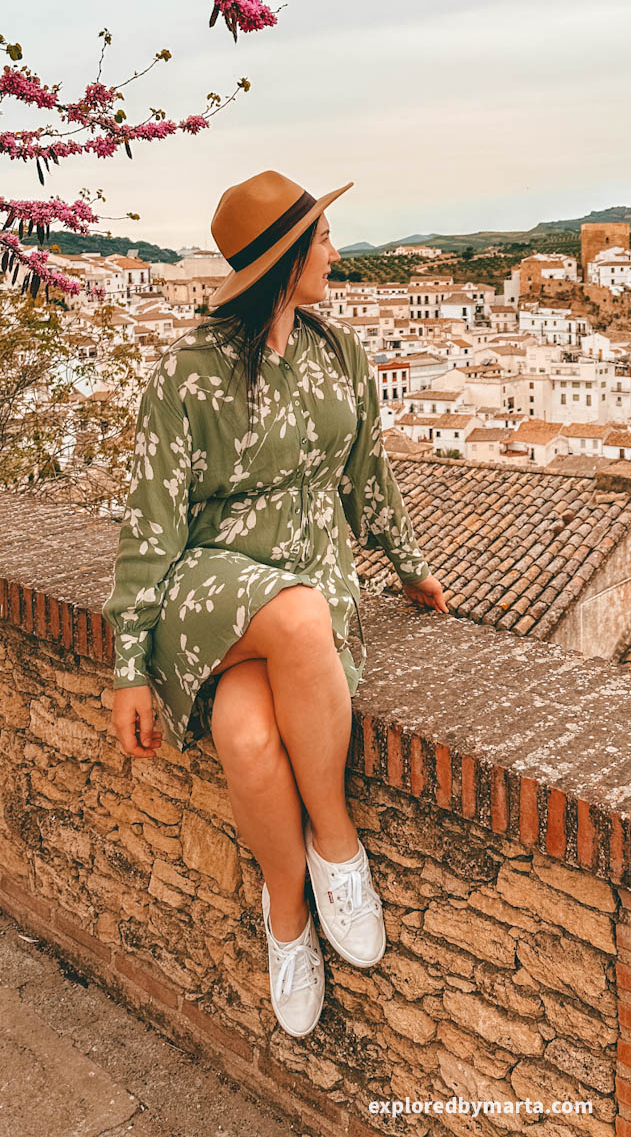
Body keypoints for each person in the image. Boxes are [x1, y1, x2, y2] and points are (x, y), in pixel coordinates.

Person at [102, 170, 447, 1037]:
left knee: (248, 734)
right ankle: (338, 849)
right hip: (210, 584)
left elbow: (370, 479)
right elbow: (150, 523)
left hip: (312, 573)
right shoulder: (185, 375)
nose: (334, 251)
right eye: (322, 239)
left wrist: (409, 568)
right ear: (285, 259)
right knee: (295, 618)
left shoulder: (341, 359)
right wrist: (128, 667)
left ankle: (285, 923)